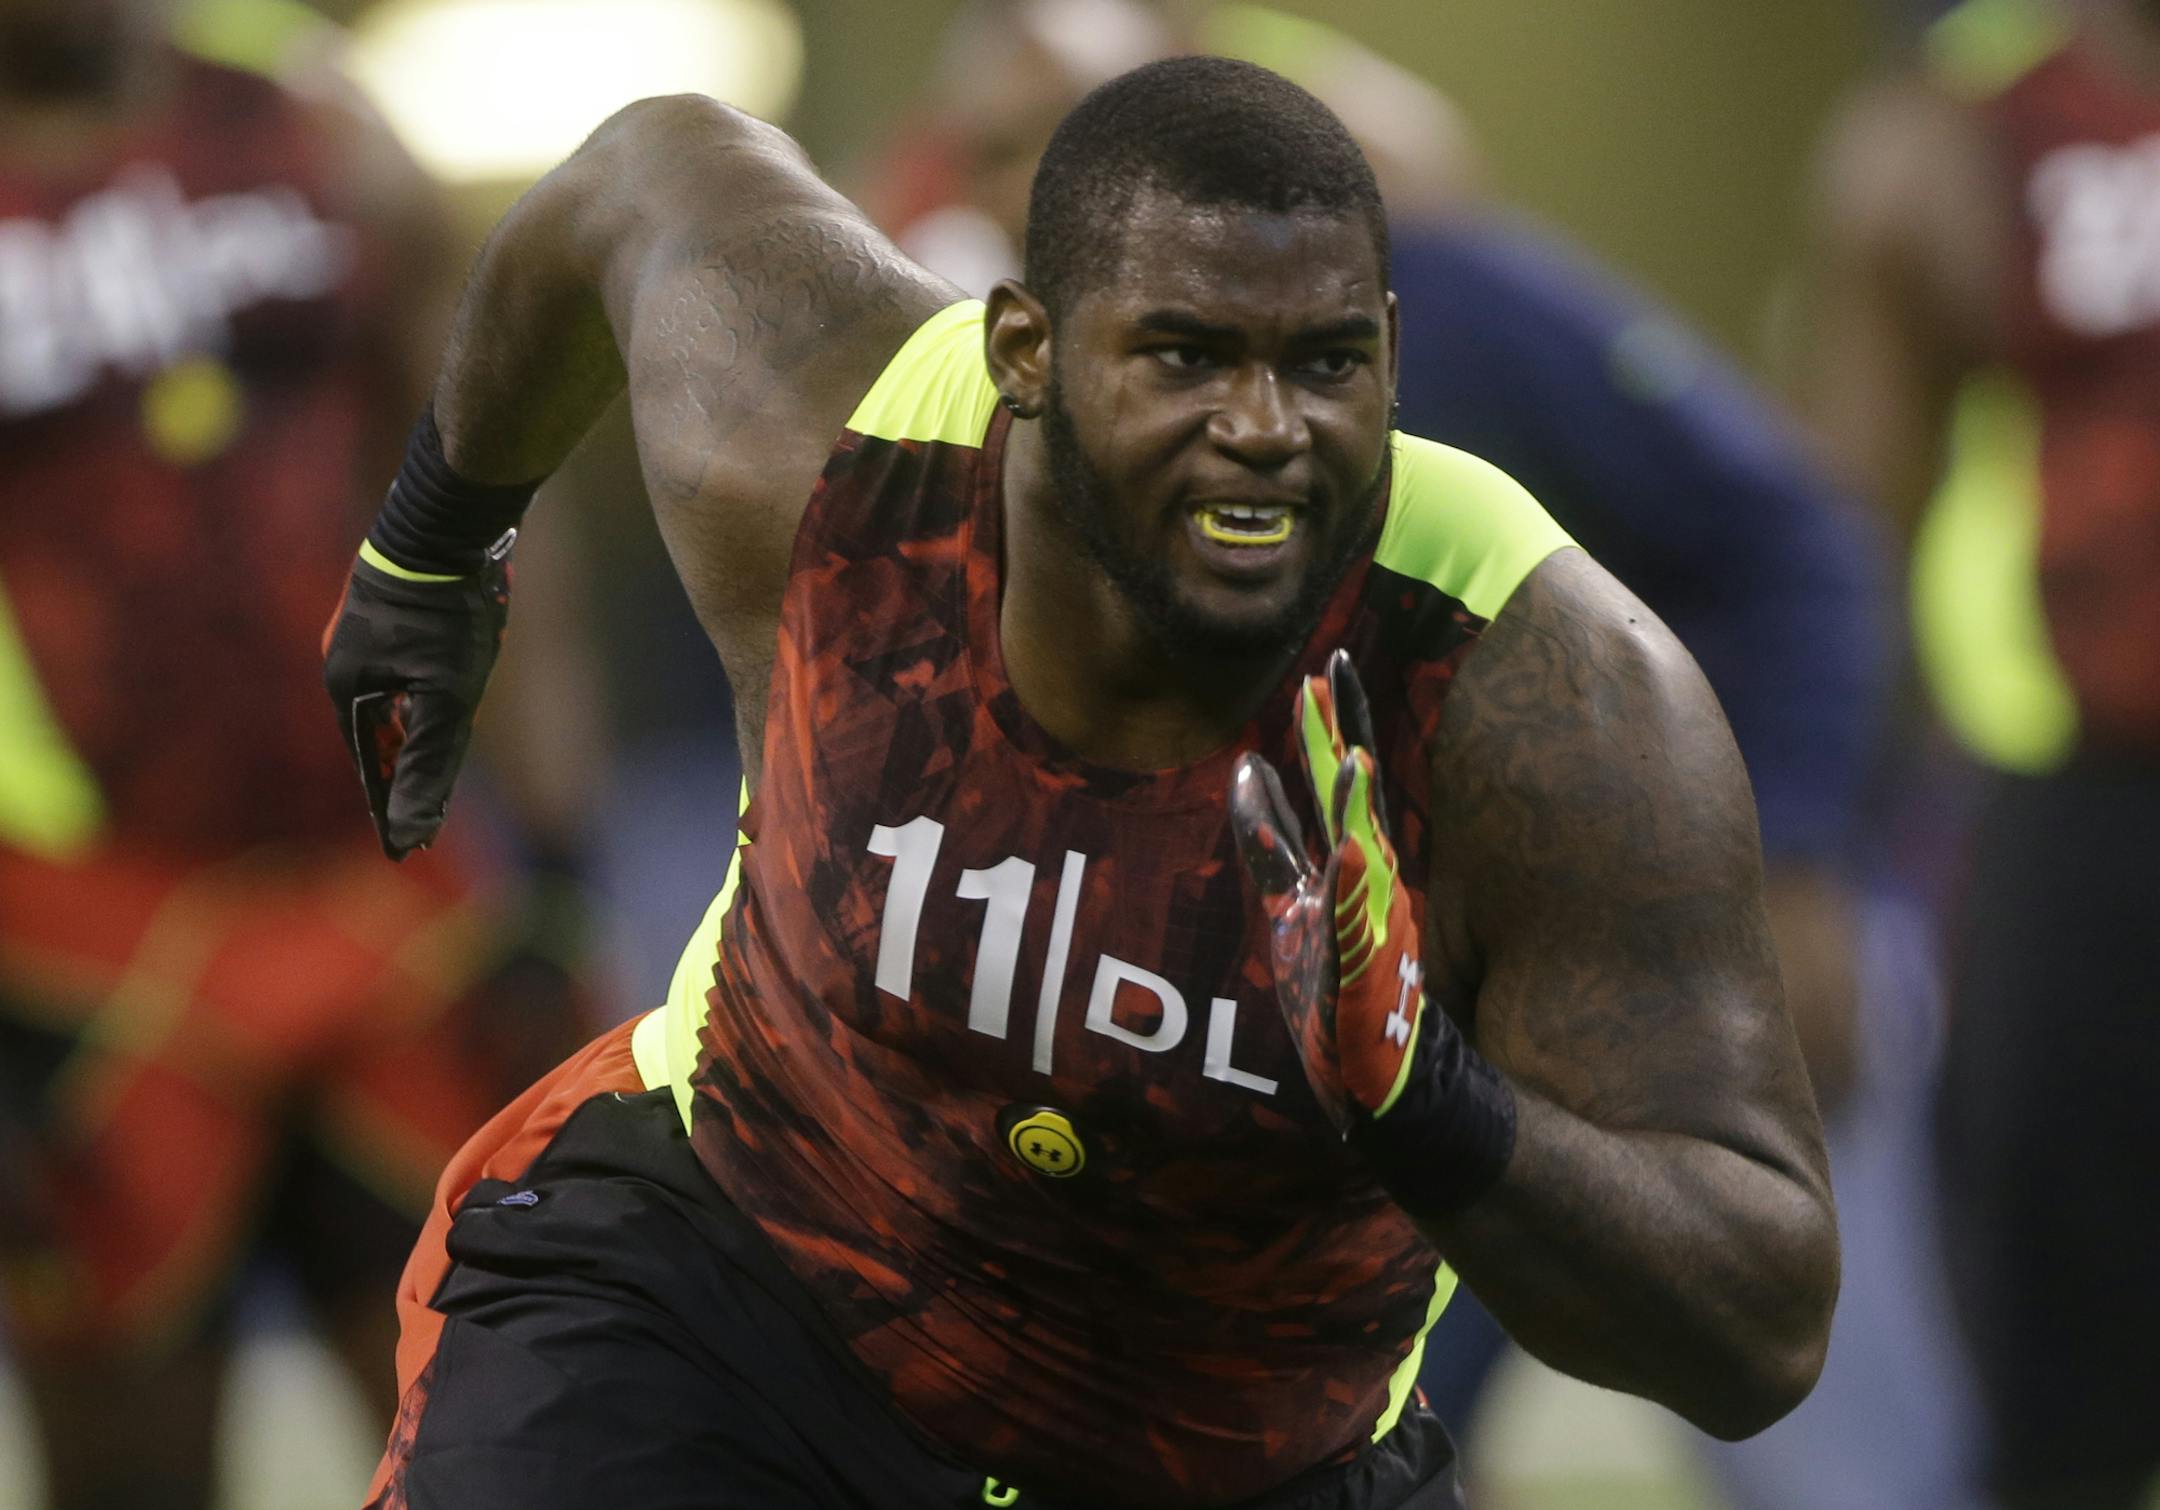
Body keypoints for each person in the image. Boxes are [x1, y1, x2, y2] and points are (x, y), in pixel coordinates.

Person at [328, 58, 1838, 1510]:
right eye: (1185, 355)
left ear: (1391, 348)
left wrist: (1429, 1097)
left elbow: (1760, 1328)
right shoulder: (823, 441)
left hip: (1230, 1450)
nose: (1264, 430)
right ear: (1024, 353)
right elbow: (632, 171)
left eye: (1326, 364)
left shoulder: (1532, 686)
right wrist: (430, 546)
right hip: (730, 1291)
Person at [862, 0, 1893, 1471]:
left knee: (1447, 1397)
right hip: (1172, 1030)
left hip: (1462, 986)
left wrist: (1785, 850)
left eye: (1072, 137)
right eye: (993, 152)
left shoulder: (1456, 302)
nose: (1026, 184)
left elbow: (1785, 533)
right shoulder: (950, 405)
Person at [0, 2, 595, 1505]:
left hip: (387, 893)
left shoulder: (318, 136)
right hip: (82, 940)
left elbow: (499, 480)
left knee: (515, 1433)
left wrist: (560, 860)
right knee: (126, 1463)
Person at [1804, 0, 2160, 1505]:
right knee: (2060, 1335)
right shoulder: (1974, 124)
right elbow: (1835, 516)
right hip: (2079, 788)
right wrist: (1798, 830)